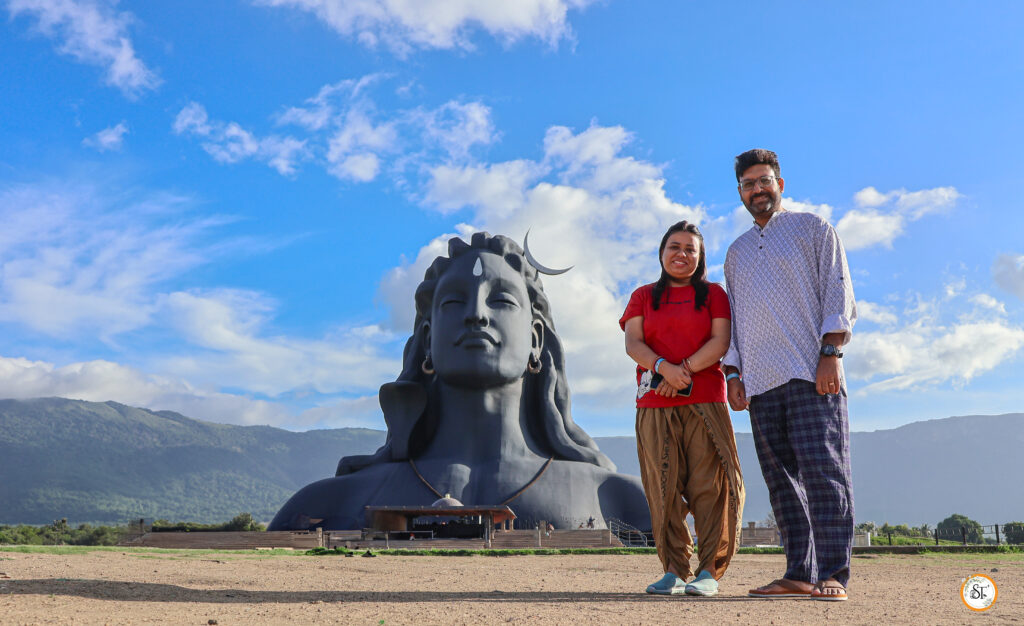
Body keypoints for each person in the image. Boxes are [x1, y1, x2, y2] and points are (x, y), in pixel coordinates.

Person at [269, 233, 650, 532]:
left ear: (536, 339)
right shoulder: (328, 502)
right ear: (427, 339)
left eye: (501, 300)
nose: (477, 315)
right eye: (454, 302)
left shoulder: (621, 500)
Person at [723, 149, 857, 601]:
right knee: (782, 485)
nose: (757, 190)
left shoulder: (814, 228)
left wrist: (830, 352)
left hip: (810, 372)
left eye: (764, 181)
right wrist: (734, 373)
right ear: (740, 192)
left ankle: (834, 573)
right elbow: (734, 318)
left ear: (780, 183)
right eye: (748, 184)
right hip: (760, 383)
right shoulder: (736, 253)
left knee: (824, 474)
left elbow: (838, 290)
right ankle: (800, 571)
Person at [620, 220, 745, 597]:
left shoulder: (714, 295)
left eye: (691, 249)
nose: (682, 254)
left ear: (700, 257)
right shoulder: (643, 296)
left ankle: (708, 571)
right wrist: (664, 369)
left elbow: (721, 341)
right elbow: (633, 343)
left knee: (711, 486)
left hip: (706, 398)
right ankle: (673, 570)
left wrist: (683, 372)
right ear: (662, 252)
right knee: (663, 486)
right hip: (654, 401)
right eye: (674, 246)